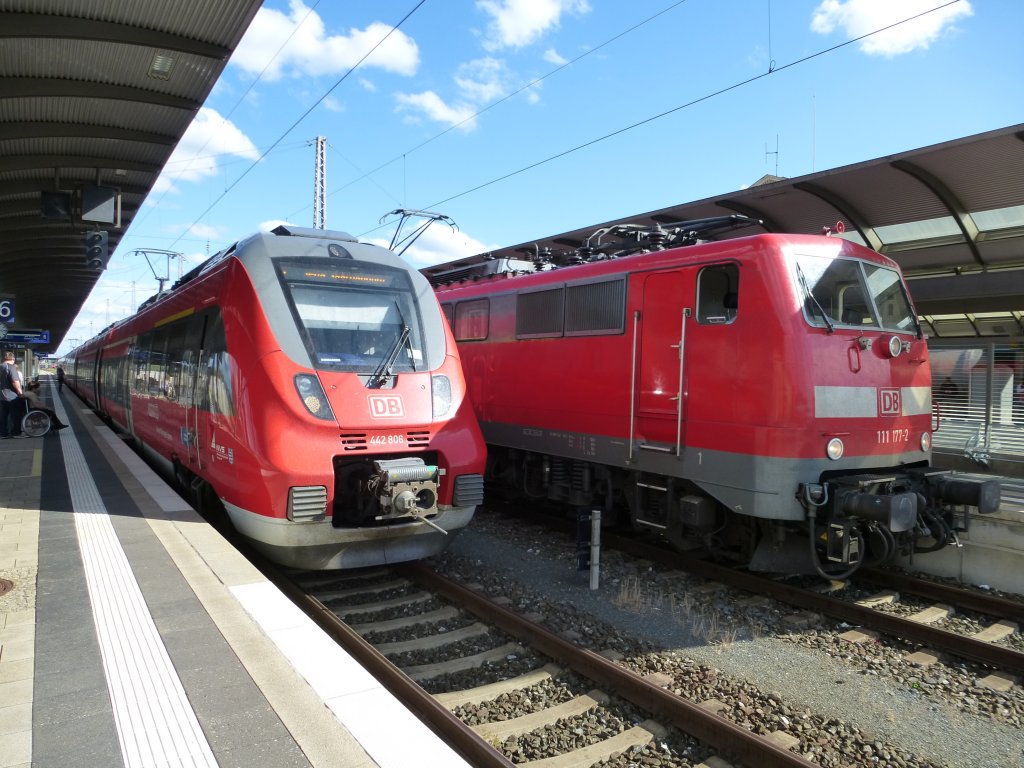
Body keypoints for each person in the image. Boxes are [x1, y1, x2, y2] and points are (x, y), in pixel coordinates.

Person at [0, 351, 28, 438]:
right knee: (16, 414)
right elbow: (15, 381)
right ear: (13, 359)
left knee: (3, 415)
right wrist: (20, 392)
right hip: (11, 396)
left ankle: (3, 433)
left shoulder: (0, 366)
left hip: (1, 396)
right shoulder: (11, 367)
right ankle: (16, 433)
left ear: (4, 358)